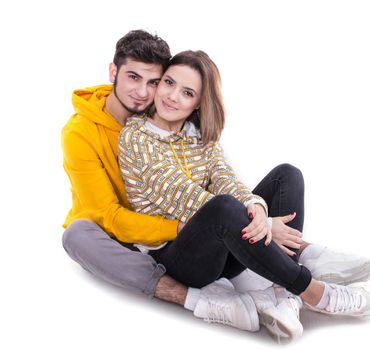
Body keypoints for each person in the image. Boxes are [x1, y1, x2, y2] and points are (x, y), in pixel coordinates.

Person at [118, 50, 370, 339]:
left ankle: (283, 295)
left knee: (287, 175)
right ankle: (314, 292)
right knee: (222, 208)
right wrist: (265, 224)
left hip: (222, 248)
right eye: (169, 83)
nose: (172, 96)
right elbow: (184, 199)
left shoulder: (198, 133)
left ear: (198, 102)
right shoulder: (136, 138)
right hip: (178, 258)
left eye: (187, 92)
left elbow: (224, 178)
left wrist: (255, 206)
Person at [61, 29, 261, 332]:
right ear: (113, 71)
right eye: (133, 77)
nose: (143, 92)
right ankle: (193, 299)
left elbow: (204, 178)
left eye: (154, 81)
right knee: (76, 236)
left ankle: (283, 261)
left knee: (257, 193)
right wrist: (182, 227)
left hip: (175, 226)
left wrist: (255, 214)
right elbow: (109, 216)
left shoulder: (166, 114)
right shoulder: (79, 132)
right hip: (120, 233)